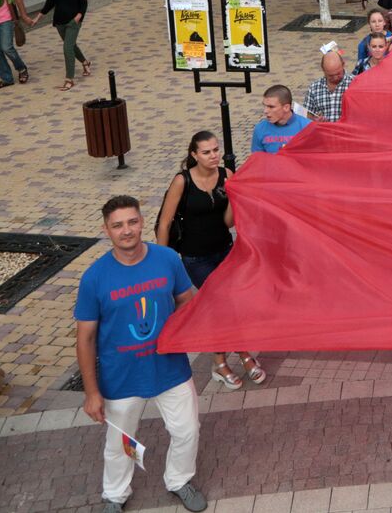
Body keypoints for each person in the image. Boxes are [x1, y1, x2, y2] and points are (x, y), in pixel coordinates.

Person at [75, 195, 208, 513]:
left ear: (141, 222)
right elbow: (85, 338)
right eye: (118, 225)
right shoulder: (95, 278)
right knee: (123, 442)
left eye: (132, 222)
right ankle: (115, 494)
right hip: (121, 377)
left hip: (170, 368)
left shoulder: (166, 259)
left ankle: (178, 480)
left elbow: (185, 300)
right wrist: (91, 392)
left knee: (187, 430)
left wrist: (180, 332)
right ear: (106, 230)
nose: (127, 231)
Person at [156, 132, 265, 392]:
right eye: (206, 152)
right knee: (221, 306)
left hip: (225, 251)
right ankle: (233, 358)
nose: (213, 155)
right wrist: (162, 263)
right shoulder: (182, 181)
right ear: (194, 155)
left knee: (231, 305)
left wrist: (233, 195)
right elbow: (165, 221)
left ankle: (227, 359)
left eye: (216, 149)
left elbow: (229, 221)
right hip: (196, 258)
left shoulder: (226, 174)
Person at [25, 0, 91, 91]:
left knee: (67, 48)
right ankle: (85, 62)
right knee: (71, 45)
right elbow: (50, 3)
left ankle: (69, 79)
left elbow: (84, 3)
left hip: (73, 22)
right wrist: (38, 17)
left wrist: (78, 17)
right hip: (59, 22)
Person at [251, 85, 309, 155]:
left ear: (286, 107)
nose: (265, 111)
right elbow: (257, 160)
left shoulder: (307, 127)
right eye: (265, 106)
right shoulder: (260, 129)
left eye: (271, 107)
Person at [305, 51, 354, 123]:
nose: (335, 78)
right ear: (323, 70)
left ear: (343, 65)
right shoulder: (314, 88)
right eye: (330, 75)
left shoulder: (355, 83)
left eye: (338, 73)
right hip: (322, 132)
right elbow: (306, 115)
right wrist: (314, 120)